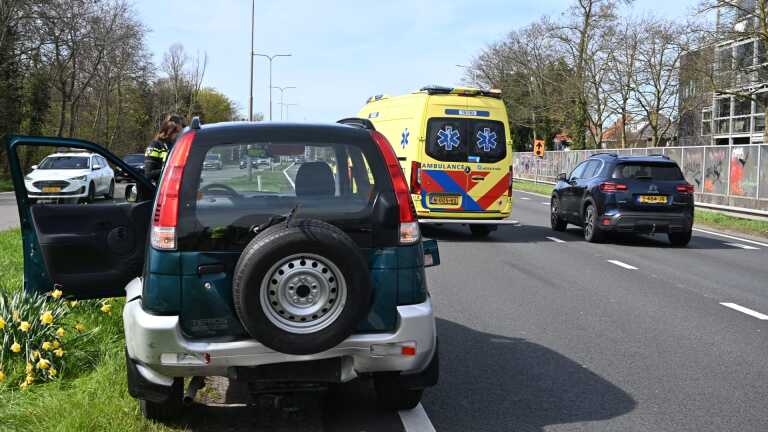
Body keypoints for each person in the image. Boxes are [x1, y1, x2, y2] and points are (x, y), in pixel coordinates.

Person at [144, 115, 185, 183]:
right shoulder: (155, 145)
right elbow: (149, 173)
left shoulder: (178, 145)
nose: (180, 135)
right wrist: (172, 170)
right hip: (159, 187)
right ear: (170, 131)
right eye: (178, 132)